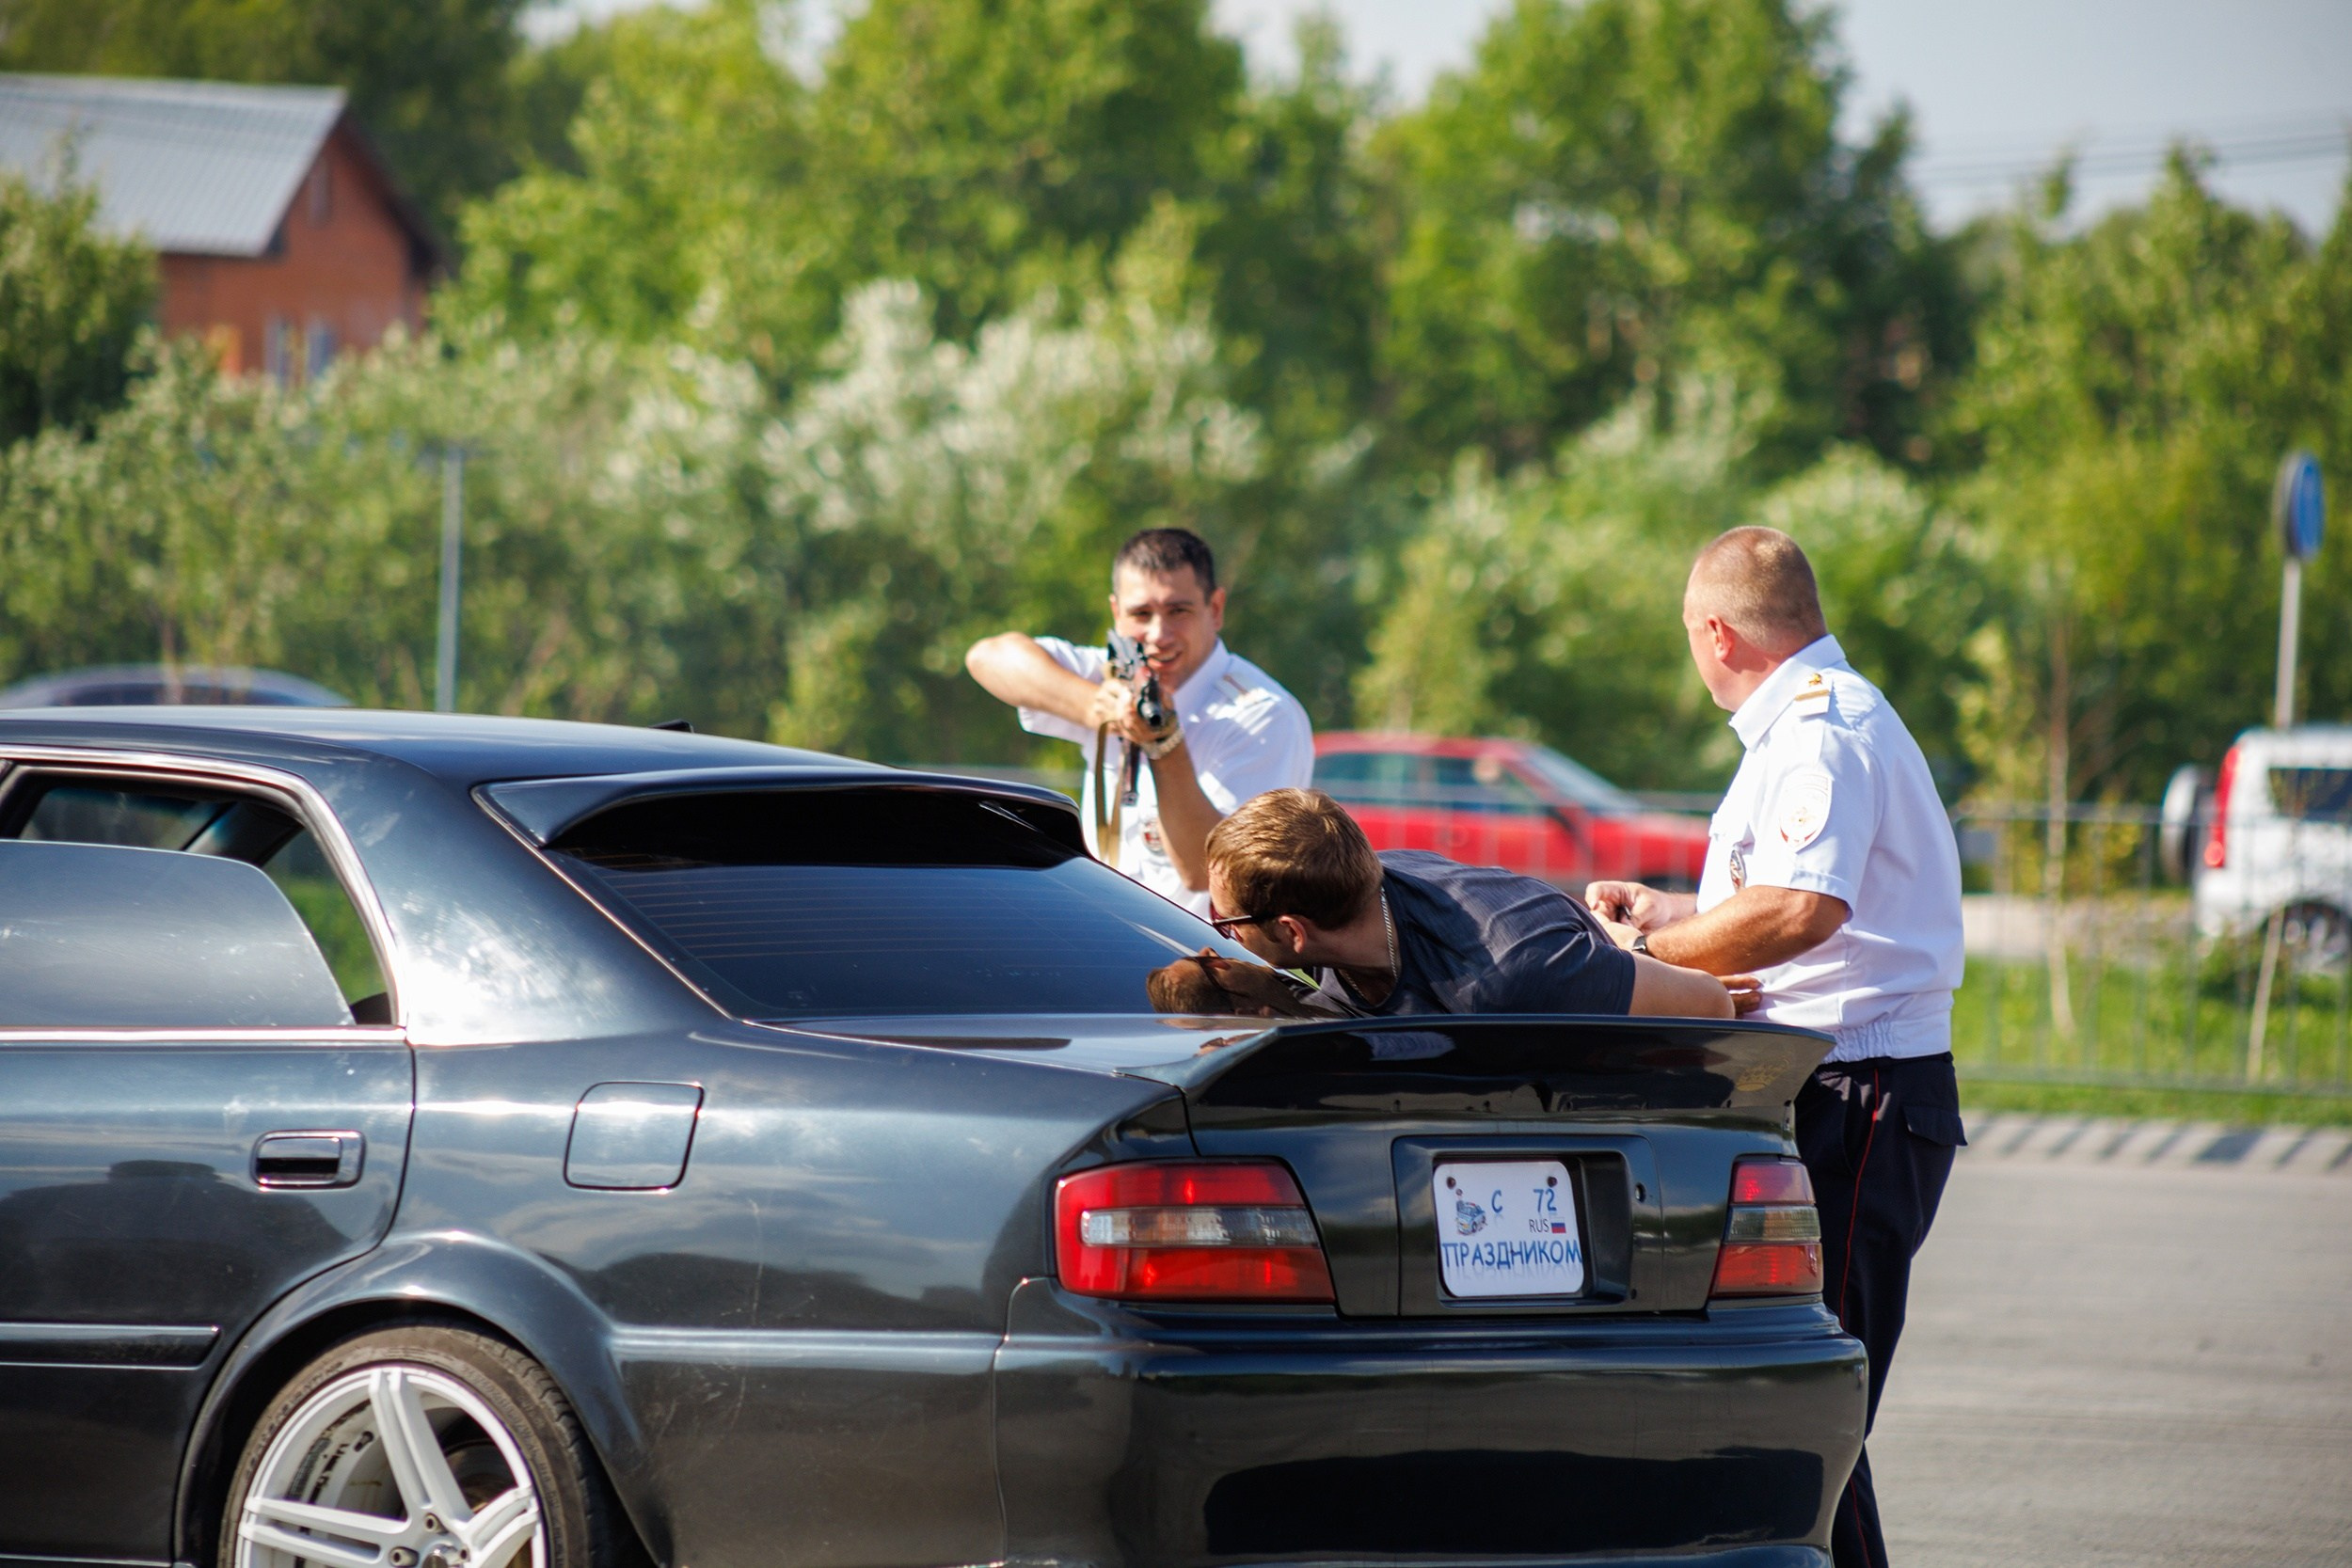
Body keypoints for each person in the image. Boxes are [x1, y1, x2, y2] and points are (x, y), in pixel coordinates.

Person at [1584, 526, 1966, 1568]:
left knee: (1809, 1417)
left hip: (1855, 1091)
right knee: (1798, 1417)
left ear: (1717, 632)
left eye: (1686, 635)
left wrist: (1648, 948)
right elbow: (1774, 900)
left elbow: (1803, 908)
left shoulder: (1819, 731)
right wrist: (1675, 909)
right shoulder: (1815, 721)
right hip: (1838, 1086)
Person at [965, 529, 1311, 917]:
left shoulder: (1262, 714)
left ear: (1215, 609)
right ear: (1117, 613)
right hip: (1115, 941)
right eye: (1141, 614)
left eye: (1178, 611)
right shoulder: (1115, 675)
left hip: (1209, 961)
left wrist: (1164, 744)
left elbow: (1207, 874)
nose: (1158, 635)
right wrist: (1093, 705)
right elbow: (986, 656)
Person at [1201, 787, 1744, 1019]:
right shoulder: (1347, 888)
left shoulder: (1510, 970)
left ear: (1295, 932)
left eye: (1227, 922)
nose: (1220, 931)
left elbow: (1711, 1004)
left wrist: (1631, 951)